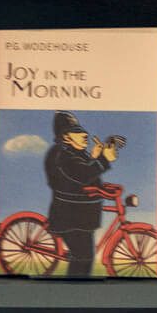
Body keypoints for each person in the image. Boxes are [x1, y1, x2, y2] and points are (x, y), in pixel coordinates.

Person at [43, 110, 118, 279]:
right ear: (65, 137)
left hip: (82, 217)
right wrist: (103, 159)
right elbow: (82, 174)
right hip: (70, 217)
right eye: (77, 132)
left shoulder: (75, 153)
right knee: (83, 257)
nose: (85, 134)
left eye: (83, 131)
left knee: (85, 257)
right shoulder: (62, 154)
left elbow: (89, 177)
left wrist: (96, 160)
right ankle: (74, 292)